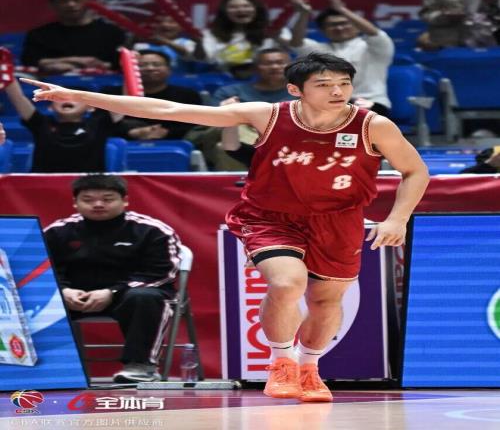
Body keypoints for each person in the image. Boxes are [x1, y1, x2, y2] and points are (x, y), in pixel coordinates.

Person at [23, 52, 430, 402]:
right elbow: (170, 110)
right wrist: (80, 95)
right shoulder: (267, 115)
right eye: (324, 85)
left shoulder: (372, 125)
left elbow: (415, 171)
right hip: (270, 218)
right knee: (287, 283)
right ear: (296, 90)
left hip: (339, 220)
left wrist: (397, 218)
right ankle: (281, 362)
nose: (337, 91)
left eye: (343, 83)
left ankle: (309, 368)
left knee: (326, 301)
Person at [43, 174, 182, 383]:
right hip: (74, 297)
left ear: (125, 201)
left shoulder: (152, 231)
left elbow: (163, 272)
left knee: (145, 297)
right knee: (35, 297)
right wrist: (63, 290)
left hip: (128, 295)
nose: (98, 204)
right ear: (75, 203)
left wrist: (113, 292)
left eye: (107, 199)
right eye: (88, 200)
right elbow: (41, 269)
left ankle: (140, 366)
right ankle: (46, 368)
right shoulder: (57, 232)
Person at [289, 0, 394, 117]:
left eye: (344, 23)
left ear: (356, 26)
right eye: (332, 25)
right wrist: (304, 14)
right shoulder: (319, 49)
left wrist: (342, 9)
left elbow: (375, 34)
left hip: (370, 103)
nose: (339, 28)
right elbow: (296, 43)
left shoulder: (375, 47)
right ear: (322, 30)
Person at [2, 76, 119, 173]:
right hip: (44, 186)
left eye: (75, 98)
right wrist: (7, 72)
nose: (66, 100)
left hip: (90, 186)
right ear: (50, 107)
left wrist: (127, 64)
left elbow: (124, 104)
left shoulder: (100, 124)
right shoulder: (40, 123)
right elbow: (17, 97)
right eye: (60, 98)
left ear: (91, 107)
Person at [21, 0, 126, 74]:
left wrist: (99, 65)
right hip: (55, 86)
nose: (71, 4)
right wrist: (79, 61)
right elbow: (31, 61)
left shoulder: (112, 32)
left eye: (77, 0)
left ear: (88, 2)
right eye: (63, 1)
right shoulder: (39, 34)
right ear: (52, 4)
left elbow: (121, 63)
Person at [108, 50, 203, 140]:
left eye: (157, 64)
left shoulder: (188, 95)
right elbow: (104, 123)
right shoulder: (112, 94)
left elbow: (196, 125)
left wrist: (167, 132)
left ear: (169, 70)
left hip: (176, 141)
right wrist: (132, 132)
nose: (150, 68)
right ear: (130, 69)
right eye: (142, 65)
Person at [200, 0, 291, 79]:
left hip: (268, 80)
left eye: (246, 6)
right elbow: (204, 58)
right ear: (223, 12)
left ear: (257, 9)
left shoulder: (275, 31)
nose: (240, 10)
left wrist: (277, 37)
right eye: (233, 7)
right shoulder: (210, 34)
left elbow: (295, 48)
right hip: (223, 79)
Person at [418, 0, 497, 49]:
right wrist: (444, 17)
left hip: (479, 40)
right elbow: (426, 13)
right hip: (446, 41)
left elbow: (491, 13)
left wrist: (491, 1)